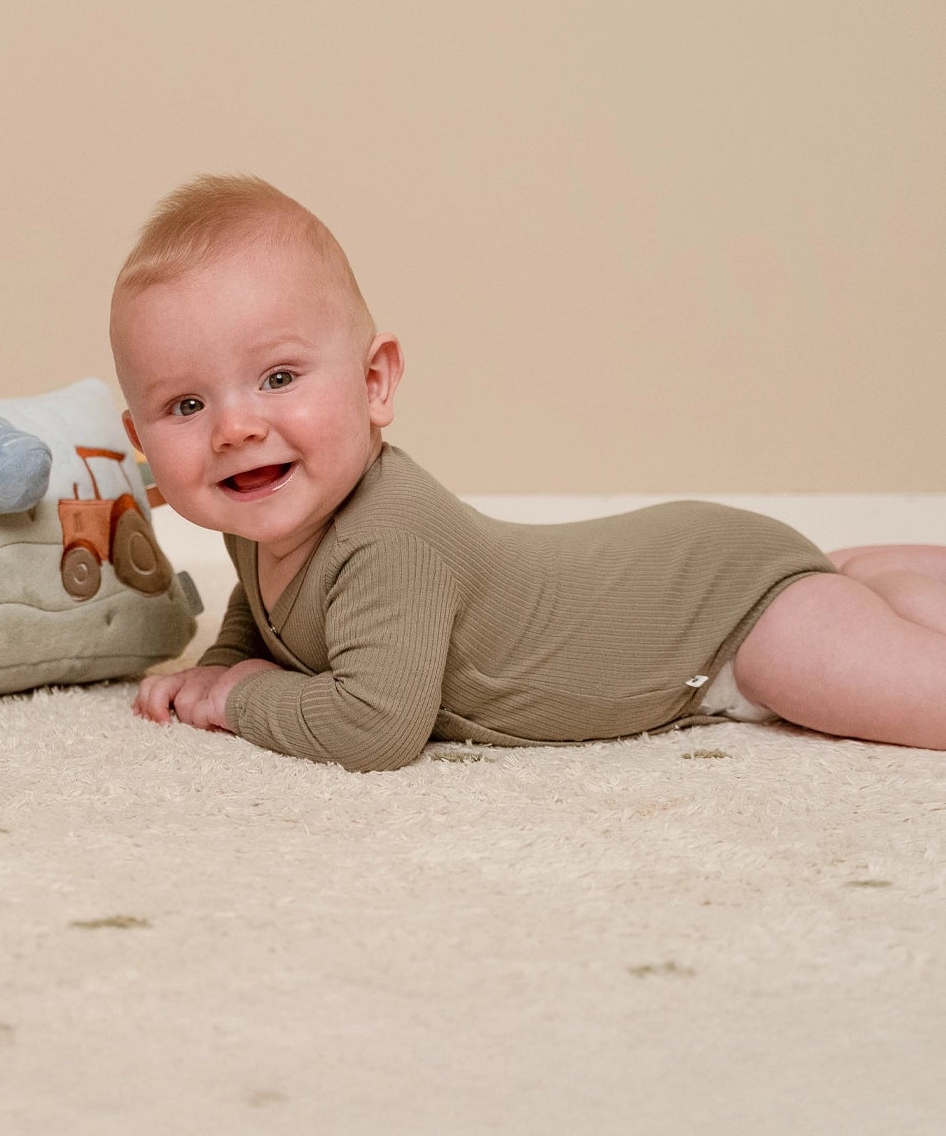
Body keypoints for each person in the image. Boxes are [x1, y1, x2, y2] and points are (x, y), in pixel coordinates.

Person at [108, 174, 946, 771]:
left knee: (905, 696)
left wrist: (239, 700)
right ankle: (860, 576)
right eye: (186, 406)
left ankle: (835, 585)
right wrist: (222, 660)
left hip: (726, 615)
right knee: (840, 593)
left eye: (279, 378)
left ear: (374, 383)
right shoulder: (270, 518)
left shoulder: (389, 537)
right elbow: (271, 623)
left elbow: (375, 726)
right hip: (684, 564)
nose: (237, 428)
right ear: (139, 438)